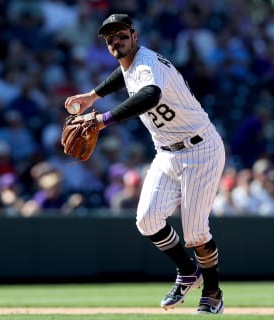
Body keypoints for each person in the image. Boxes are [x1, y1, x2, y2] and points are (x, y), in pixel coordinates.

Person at [64, 14, 225, 314]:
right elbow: (122, 76)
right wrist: (92, 96)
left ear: (135, 36)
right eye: (110, 37)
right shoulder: (131, 66)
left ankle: (213, 294)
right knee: (147, 220)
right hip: (166, 152)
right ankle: (188, 272)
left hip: (200, 149)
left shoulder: (148, 62)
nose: (116, 40)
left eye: (121, 34)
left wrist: (101, 119)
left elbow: (150, 95)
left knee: (195, 234)